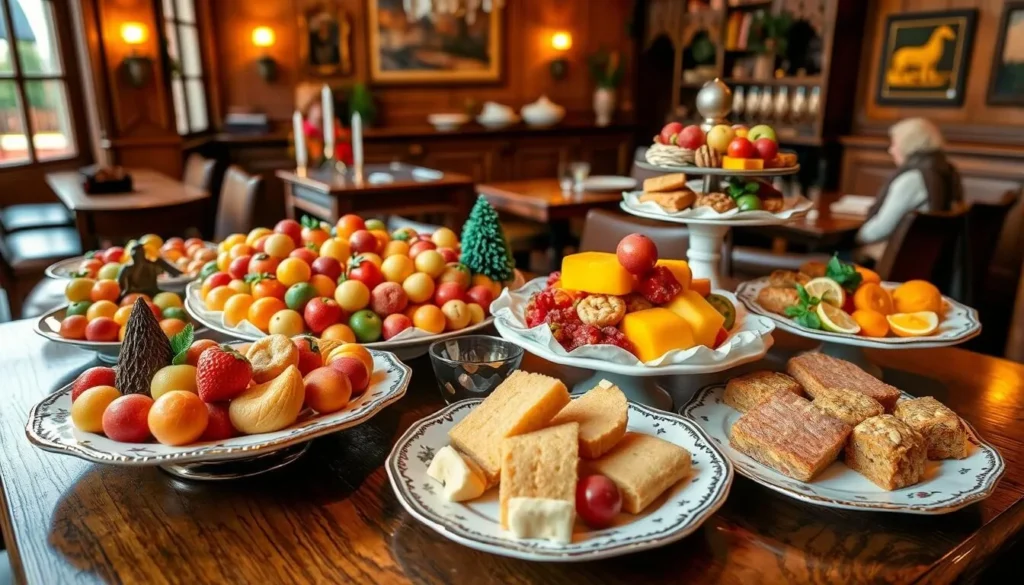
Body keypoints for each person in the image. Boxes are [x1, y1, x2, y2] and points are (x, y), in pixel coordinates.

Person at [854, 117, 964, 263]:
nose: (890, 150)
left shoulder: (912, 179)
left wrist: (854, 236)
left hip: (904, 259)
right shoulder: (947, 171)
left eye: (894, 144)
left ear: (908, 146)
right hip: (933, 257)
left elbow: (880, 230)